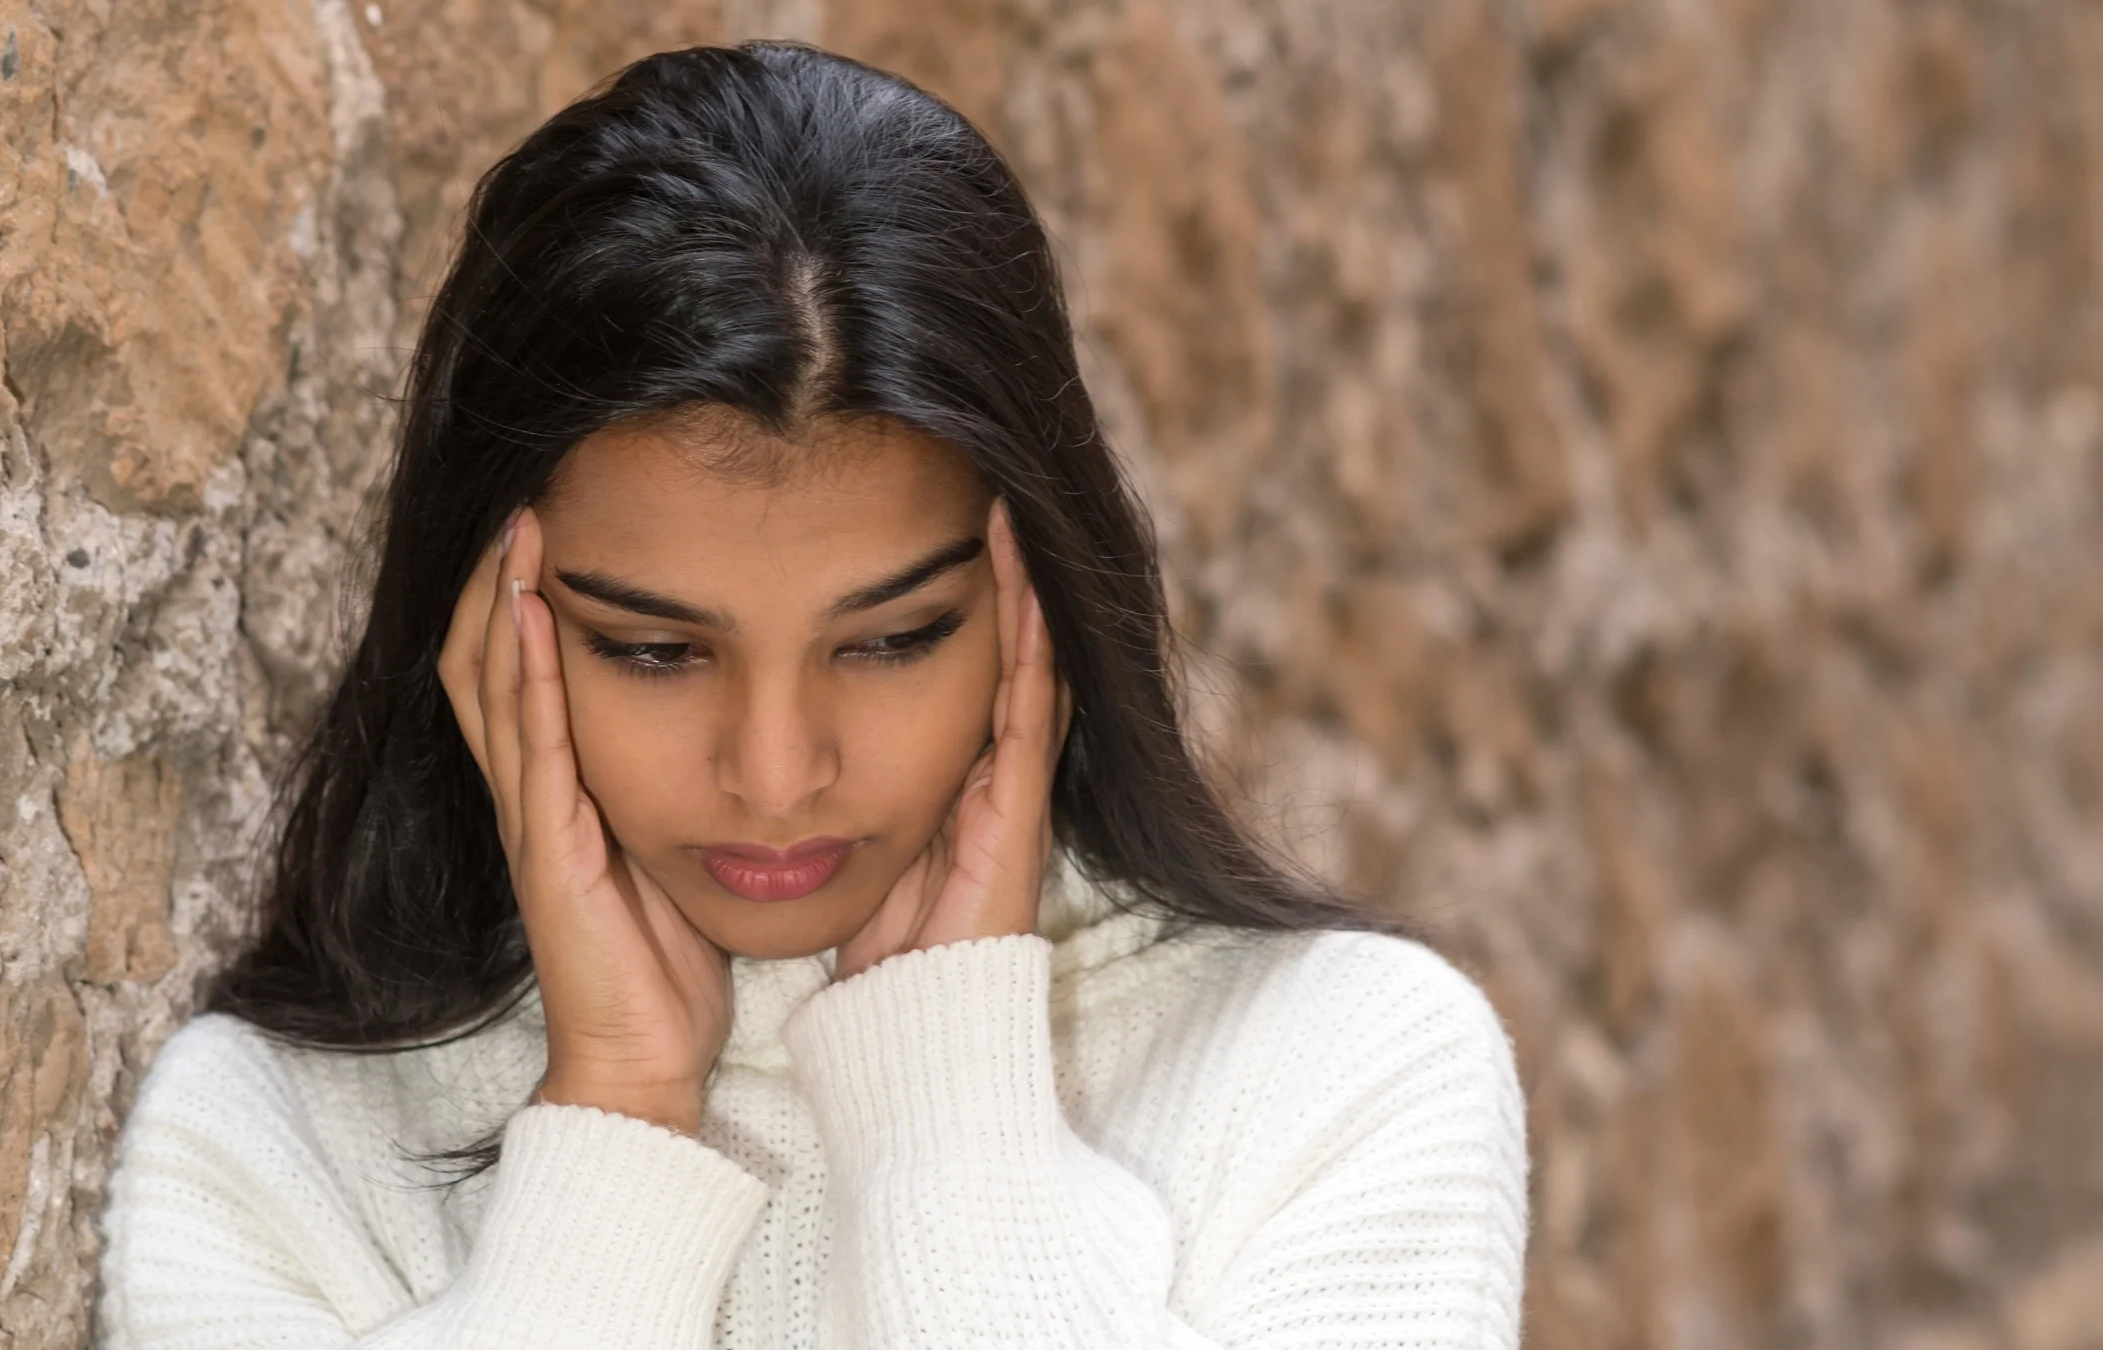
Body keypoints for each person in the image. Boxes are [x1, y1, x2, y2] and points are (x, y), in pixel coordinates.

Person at [95, 40, 1527, 1349]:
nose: (776, 772)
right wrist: (611, 1121)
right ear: (487, 620)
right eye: (653, 651)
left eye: (893, 637)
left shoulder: (1342, 1071)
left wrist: (952, 1105)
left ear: (1040, 604)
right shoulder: (275, 1145)